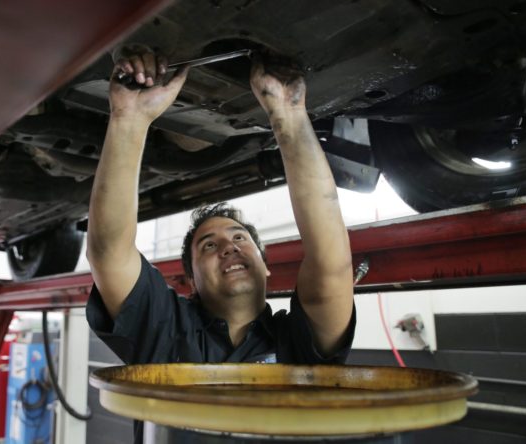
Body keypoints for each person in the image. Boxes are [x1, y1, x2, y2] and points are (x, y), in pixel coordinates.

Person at [85, 46, 356, 442]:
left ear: (266, 266)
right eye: (208, 246)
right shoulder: (165, 327)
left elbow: (332, 264)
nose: (228, 247)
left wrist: (289, 116)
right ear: (191, 280)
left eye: (240, 238)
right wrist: (129, 120)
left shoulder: (298, 340)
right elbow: (108, 251)